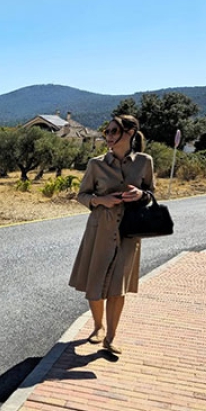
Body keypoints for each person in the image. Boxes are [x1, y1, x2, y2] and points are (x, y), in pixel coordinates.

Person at [69, 114, 155, 355]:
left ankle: (111, 337)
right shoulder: (95, 164)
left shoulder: (144, 162)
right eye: (106, 132)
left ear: (129, 133)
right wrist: (100, 200)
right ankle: (97, 326)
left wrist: (140, 194)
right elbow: (82, 195)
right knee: (95, 281)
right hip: (100, 229)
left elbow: (151, 193)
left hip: (129, 232)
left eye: (113, 131)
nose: (108, 136)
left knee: (118, 286)